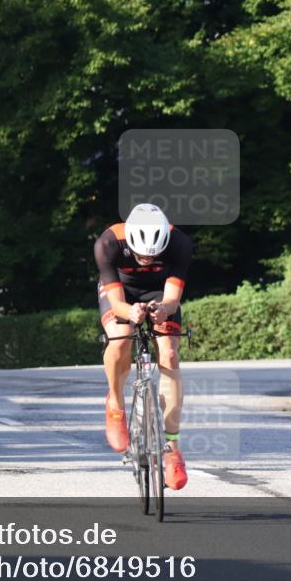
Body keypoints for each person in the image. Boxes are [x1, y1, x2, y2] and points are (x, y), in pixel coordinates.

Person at [94, 203, 192, 490]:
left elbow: (172, 299)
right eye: (141, 256)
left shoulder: (180, 244)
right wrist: (130, 312)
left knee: (170, 354)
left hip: (159, 292)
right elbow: (116, 304)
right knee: (120, 337)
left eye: (153, 256)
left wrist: (164, 310)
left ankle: (172, 448)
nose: (146, 261)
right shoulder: (108, 243)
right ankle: (115, 403)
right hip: (121, 291)